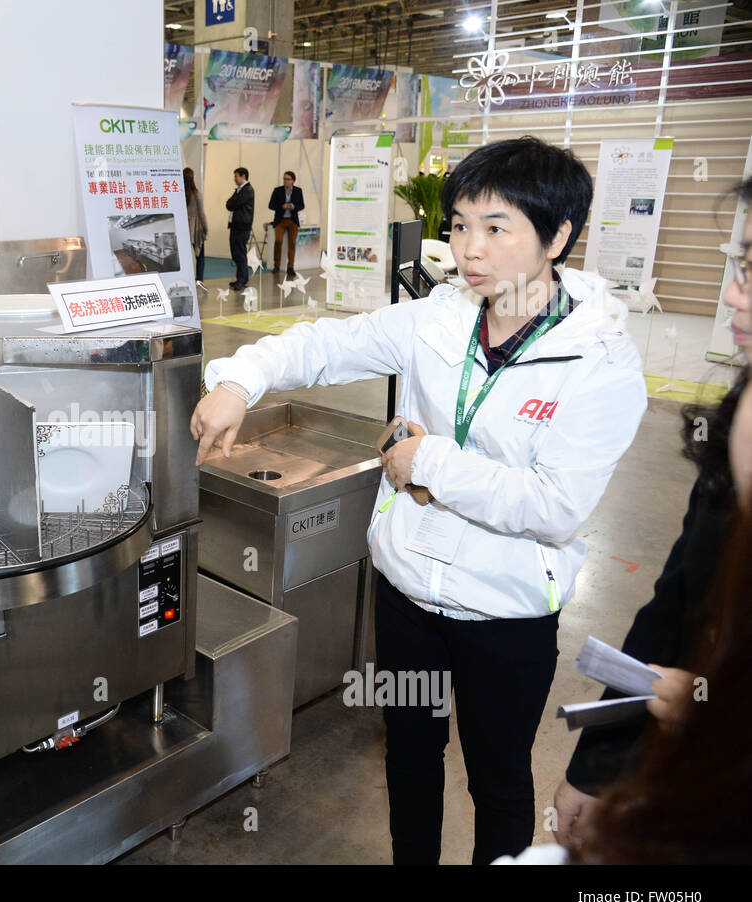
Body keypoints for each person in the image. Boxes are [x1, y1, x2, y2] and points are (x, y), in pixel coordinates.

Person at [191, 136, 647, 865]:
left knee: (498, 780)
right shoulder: (441, 314)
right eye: (461, 224)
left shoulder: (600, 363)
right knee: (409, 754)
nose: (471, 248)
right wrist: (239, 379)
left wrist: (425, 459)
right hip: (407, 595)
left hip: (505, 612)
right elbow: (326, 343)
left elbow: (553, 504)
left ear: (558, 236)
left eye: (497, 228)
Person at [552, 175, 752, 849]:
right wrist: (595, 767)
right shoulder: (735, 426)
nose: (731, 293)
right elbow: (672, 610)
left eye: (751, 273)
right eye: (741, 266)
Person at [268, 170, 305, 278]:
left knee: (292, 243)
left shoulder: (298, 191)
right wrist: (281, 207)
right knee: (278, 241)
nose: (285, 181)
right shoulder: (277, 190)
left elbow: (302, 205)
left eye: (288, 179)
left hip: (292, 221)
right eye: (284, 179)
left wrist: (295, 207)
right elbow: (271, 205)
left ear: (293, 181)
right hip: (280, 220)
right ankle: (276, 265)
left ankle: (290, 267)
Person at [226, 166, 254, 291]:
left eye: (236, 176)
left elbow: (233, 204)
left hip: (242, 227)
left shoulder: (247, 190)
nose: (234, 179)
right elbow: (228, 204)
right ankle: (239, 278)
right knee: (236, 253)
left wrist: (233, 201)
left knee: (240, 253)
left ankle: (243, 280)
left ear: (243, 176)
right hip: (236, 226)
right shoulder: (239, 190)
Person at [184, 166, 208, 283]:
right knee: (200, 256)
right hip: (196, 228)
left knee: (185, 256)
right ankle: (199, 279)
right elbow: (202, 213)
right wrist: (206, 229)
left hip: (184, 228)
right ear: (192, 178)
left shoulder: (180, 194)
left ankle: (186, 277)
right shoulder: (197, 194)